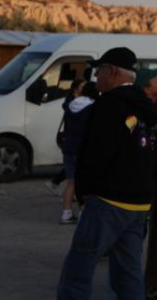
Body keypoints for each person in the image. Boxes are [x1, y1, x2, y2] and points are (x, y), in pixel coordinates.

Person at [58, 46, 157, 300]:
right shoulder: (148, 106)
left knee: (77, 271)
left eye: (99, 72)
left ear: (113, 72)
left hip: (108, 201)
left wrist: (86, 193)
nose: (96, 79)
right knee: (128, 275)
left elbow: (95, 152)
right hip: (139, 204)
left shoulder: (108, 105)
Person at [59, 79, 97, 224]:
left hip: (68, 146)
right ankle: (82, 213)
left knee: (71, 183)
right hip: (83, 148)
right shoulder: (92, 107)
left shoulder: (70, 105)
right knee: (84, 182)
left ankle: (66, 213)